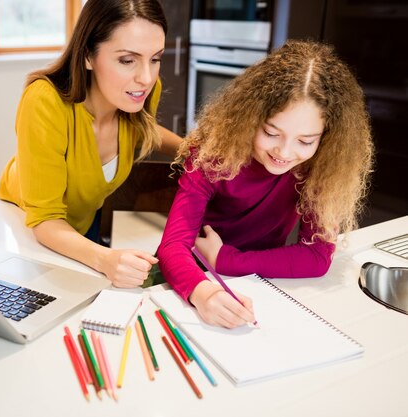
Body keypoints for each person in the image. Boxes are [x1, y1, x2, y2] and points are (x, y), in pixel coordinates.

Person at [157, 40, 374, 329]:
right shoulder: (211, 155)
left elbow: (317, 257)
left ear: (326, 137)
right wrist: (204, 292)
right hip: (195, 274)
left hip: (265, 280)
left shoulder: (321, 167)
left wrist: (228, 259)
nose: (284, 152)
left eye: (305, 141)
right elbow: (173, 246)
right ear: (251, 118)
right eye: (271, 133)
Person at [0, 0, 183, 288]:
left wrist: (191, 151)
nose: (146, 77)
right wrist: (105, 259)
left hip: (82, 222)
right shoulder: (45, 103)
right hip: (27, 228)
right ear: (87, 56)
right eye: (127, 60)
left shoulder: (136, 93)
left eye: (155, 59)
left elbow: (142, 128)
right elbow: (45, 221)